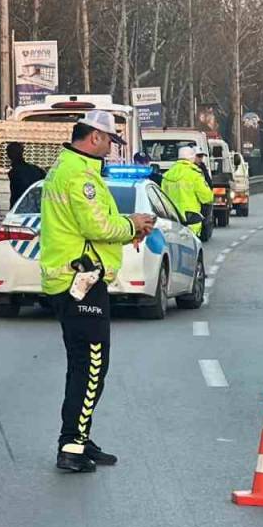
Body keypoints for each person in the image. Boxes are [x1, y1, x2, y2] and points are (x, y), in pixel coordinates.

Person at [40, 111, 155, 473]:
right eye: (109, 141)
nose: (111, 148)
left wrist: (125, 231)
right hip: (81, 282)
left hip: (75, 279)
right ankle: (71, 446)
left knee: (82, 366)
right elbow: (97, 224)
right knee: (91, 367)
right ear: (94, 138)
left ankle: (78, 436)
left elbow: (88, 226)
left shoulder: (67, 167)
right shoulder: (80, 175)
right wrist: (132, 224)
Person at [161, 146, 214, 236]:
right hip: (190, 221)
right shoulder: (195, 175)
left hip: (171, 220)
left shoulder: (167, 175)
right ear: (192, 158)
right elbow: (207, 197)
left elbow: (161, 198)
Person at [6, 141, 46, 209]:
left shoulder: (14, 173)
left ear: (9, 155)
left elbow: (15, 197)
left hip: (22, 208)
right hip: (37, 207)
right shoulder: (36, 170)